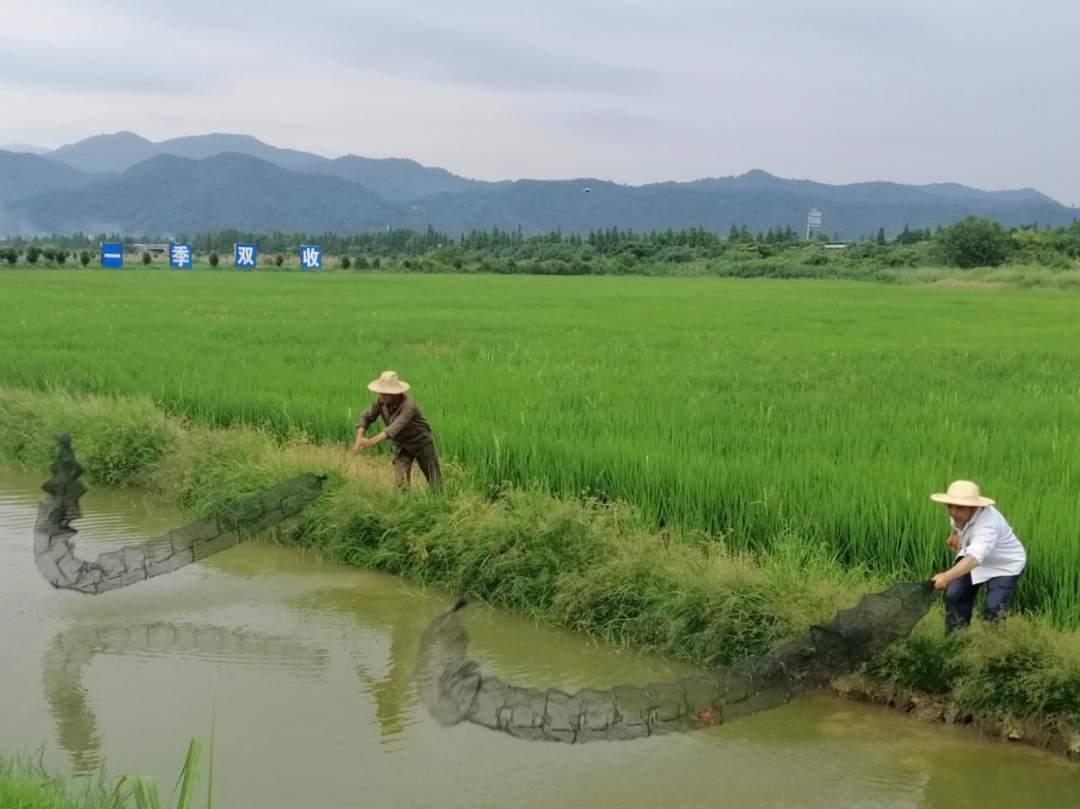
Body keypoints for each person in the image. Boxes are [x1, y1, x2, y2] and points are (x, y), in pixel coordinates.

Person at [929, 480, 1026, 632]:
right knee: (955, 594)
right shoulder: (958, 513)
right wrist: (954, 534)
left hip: (1004, 564)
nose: (952, 512)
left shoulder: (988, 524)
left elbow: (974, 558)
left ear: (974, 507)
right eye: (949, 506)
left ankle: (993, 647)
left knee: (993, 609)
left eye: (959, 508)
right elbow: (956, 523)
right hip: (973, 555)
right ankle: (956, 640)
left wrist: (946, 576)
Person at [351, 371, 441, 491]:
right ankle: (404, 505)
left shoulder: (408, 406)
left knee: (434, 479)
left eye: (386, 393)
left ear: (396, 393)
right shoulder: (380, 402)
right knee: (400, 480)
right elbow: (366, 417)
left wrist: (369, 443)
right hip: (401, 444)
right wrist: (359, 439)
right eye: (381, 392)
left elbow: (392, 429)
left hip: (421, 442)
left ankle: (438, 504)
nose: (382, 395)